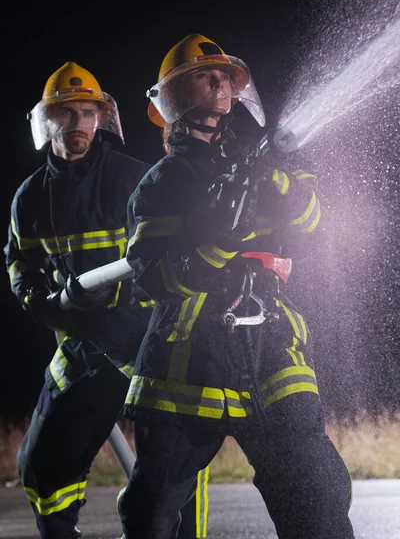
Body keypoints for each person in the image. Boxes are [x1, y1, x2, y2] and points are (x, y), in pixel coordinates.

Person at [117, 33, 356, 539]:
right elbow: (154, 277)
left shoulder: (260, 163)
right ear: (177, 96)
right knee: (153, 511)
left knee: (317, 494)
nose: (221, 82)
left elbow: (315, 228)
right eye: (207, 75)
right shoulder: (162, 183)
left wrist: (281, 186)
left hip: (269, 344)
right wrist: (219, 237)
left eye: (226, 75)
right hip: (185, 358)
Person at [4, 62, 209, 539]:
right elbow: (21, 266)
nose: (79, 124)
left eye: (89, 112)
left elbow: (165, 256)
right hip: (80, 342)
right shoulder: (29, 199)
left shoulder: (136, 179)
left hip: (143, 338)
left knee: (172, 462)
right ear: (46, 121)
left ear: (102, 118)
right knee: (40, 462)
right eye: (67, 113)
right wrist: (43, 301)